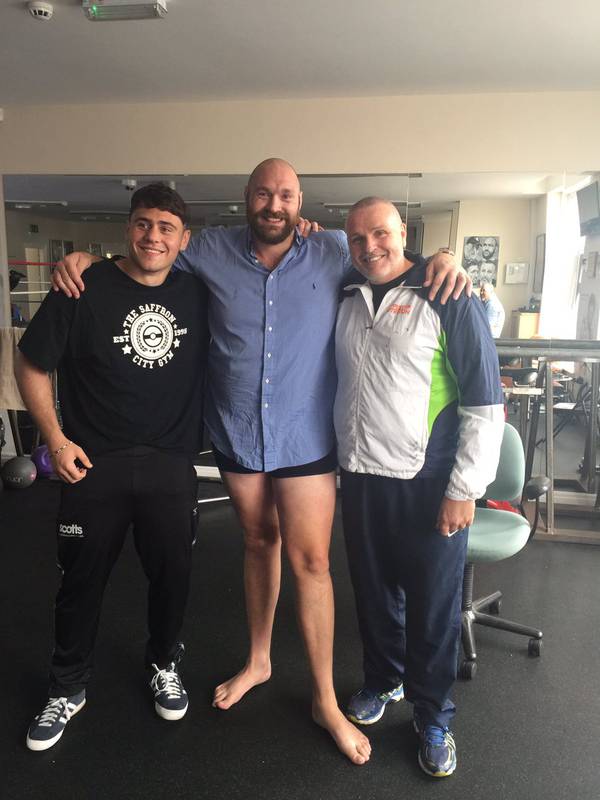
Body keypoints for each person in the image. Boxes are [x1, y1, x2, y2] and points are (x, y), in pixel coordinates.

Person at [52, 158, 469, 765]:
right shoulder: (208, 249)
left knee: (312, 562)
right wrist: (87, 260)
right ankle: (259, 661)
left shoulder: (333, 249)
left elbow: (389, 258)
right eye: (264, 194)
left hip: (305, 437)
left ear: (301, 203)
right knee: (257, 541)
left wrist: (444, 259)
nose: (275, 205)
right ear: (246, 198)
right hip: (239, 433)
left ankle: (325, 700)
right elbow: (149, 256)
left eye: (287, 196)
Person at [16, 184, 209, 751]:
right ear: (128, 228)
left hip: (170, 464)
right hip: (92, 466)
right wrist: (55, 440)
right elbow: (30, 363)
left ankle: (163, 661)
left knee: (173, 578)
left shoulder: (198, 292)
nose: (153, 236)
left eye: (166, 227)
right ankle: (67, 686)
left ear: (184, 239)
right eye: (143, 223)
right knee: (79, 582)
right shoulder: (83, 285)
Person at [335, 198, 504, 777]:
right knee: (374, 593)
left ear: (402, 232)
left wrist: (465, 488)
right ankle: (384, 679)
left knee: (432, 606)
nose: (369, 247)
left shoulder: (446, 294)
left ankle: (434, 714)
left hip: (429, 481)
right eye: (357, 239)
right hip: (361, 476)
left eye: (380, 234)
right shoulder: (347, 293)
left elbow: (485, 401)